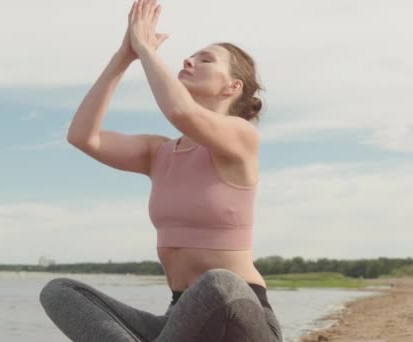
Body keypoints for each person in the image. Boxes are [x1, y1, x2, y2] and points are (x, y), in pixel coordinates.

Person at [39, 0, 283, 341]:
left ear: (233, 87)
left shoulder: (241, 137)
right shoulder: (159, 152)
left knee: (220, 281)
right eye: (192, 55)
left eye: (206, 59)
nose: (189, 60)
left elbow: (182, 114)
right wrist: (125, 55)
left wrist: (146, 49)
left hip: (240, 314)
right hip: (180, 318)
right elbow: (82, 135)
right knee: (60, 291)